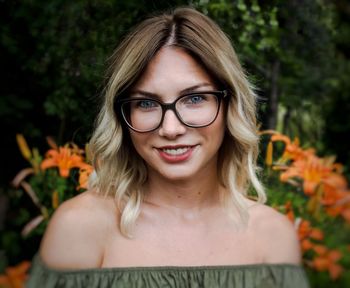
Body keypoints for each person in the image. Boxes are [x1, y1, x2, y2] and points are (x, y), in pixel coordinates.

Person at [27, 7, 309, 288]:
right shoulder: (79, 229)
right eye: (146, 103)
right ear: (123, 117)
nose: (170, 129)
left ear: (229, 105)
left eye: (195, 98)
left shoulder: (272, 237)